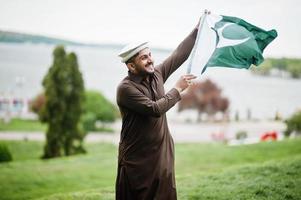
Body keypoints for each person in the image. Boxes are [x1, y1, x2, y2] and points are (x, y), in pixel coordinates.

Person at [115, 17, 201, 200]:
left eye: (150, 55)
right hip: (137, 160)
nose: (150, 60)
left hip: (162, 154)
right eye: (144, 57)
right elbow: (155, 109)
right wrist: (177, 89)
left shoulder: (158, 74)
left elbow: (180, 54)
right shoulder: (125, 89)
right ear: (131, 65)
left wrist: (197, 29)